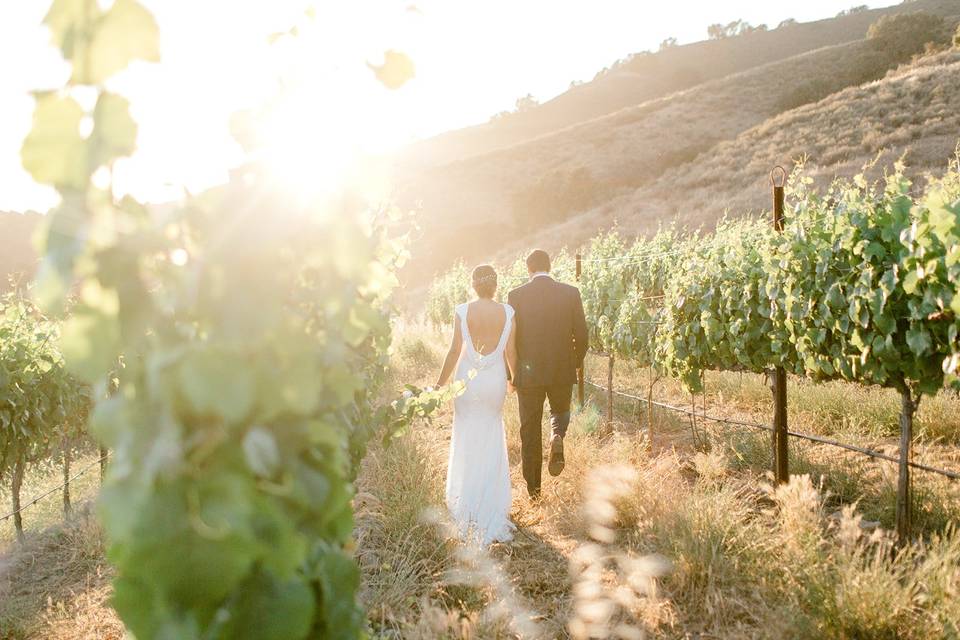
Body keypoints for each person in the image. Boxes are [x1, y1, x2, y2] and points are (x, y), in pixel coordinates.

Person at [434, 264, 517, 544]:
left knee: (467, 436)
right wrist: (514, 379)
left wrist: (439, 385)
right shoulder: (508, 313)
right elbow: (511, 352)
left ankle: (465, 502)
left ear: (473, 284)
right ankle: (489, 502)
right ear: (495, 285)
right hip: (494, 383)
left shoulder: (462, 311)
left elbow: (455, 350)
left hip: (466, 384)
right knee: (491, 435)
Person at [507, 249, 588, 499]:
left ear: (528, 269)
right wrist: (575, 362)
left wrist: (512, 374)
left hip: (528, 373)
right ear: (550, 266)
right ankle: (557, 435)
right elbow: (583, 334)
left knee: (529, 429)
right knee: (560, 412)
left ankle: (534, 491)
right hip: (561, 369)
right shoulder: (570, 292)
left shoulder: (516, 296)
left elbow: (511, 338)